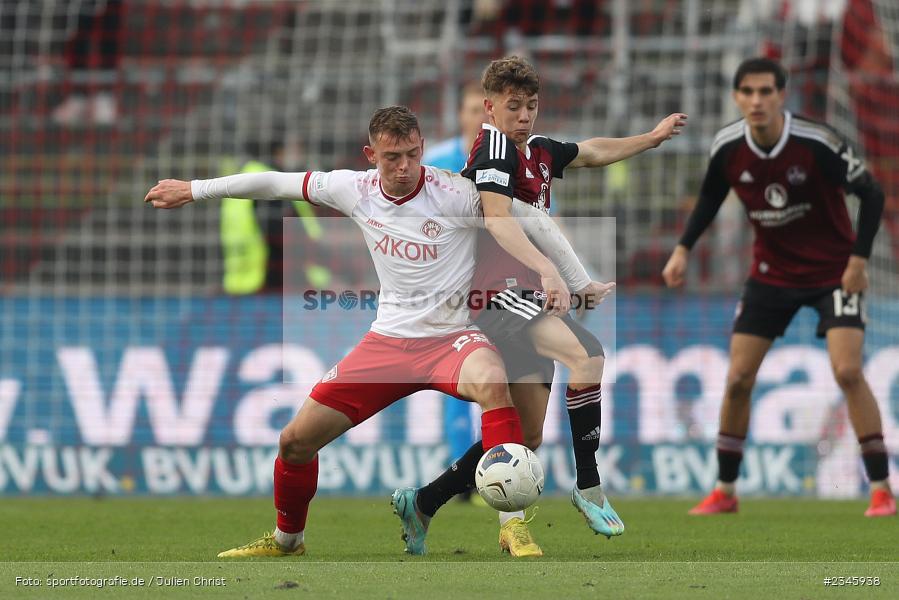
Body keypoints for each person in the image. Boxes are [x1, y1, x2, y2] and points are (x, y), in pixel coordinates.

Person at [145, 106, 597, 557]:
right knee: (294, 442)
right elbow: (274, 183)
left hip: (453, 338)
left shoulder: (456, 193)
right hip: (388, 343)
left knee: (495, 384)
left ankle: (512, 528)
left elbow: (529, 218)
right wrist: (194, 189)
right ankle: (288, 541)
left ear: (422, 149)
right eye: (391, 158)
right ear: (371, 155)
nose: (403, 167)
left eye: (411, 155)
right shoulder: (353, 189)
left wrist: (575, 279)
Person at [393, 55, 687, 557]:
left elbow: (592, 150)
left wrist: (650, 139)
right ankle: (589, 485)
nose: (524, 114)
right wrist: (556, 271)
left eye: (531, 105)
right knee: (588, 354)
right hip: (495, 293)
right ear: (490, 107)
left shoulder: (539, 151)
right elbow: (499, 221)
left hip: (528, 294)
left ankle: (422, 502)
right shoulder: (493, 149)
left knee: (524, 435)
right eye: (513, 106)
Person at [661, 57, 894, 518]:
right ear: (736, 97)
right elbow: (711, 196)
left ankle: (882, 489)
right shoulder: (728, 146)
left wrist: (860, 260)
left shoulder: (817, 141)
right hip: (771, 274)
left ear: (781, 95)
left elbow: (871, 193)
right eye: (747, 92)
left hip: (834, 273)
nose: (756, 100)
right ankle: (725, 491)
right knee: (737, 378)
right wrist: (683, 248)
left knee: (848, 371)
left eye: (766, 91)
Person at [424, 83, 488, 502]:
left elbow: (538, 225)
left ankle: (486, 472)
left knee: (495, 383)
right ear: (461, 115)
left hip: (494, 288)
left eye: (484, 111)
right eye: (470, 110)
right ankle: (461, 475)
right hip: (445, 289)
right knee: (455, 388)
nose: (478, 119)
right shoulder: (435, 163)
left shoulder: (511, 163)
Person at [220, 140, 332, 295]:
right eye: (297, 148)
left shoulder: (242, 177)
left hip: (242, 282)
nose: (300, 154)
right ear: (279, 151)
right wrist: (335, 264)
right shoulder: (269, 183)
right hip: (273, 283)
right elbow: (287, 236)